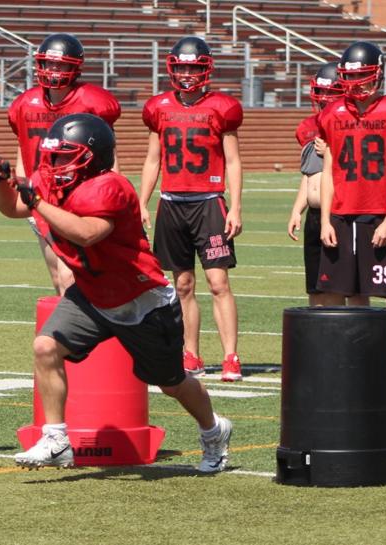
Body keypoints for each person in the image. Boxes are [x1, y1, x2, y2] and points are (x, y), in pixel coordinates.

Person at [0, 113, 233, 472]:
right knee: (45, 346)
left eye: (65, 155)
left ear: (91, 157)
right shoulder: (48, 182)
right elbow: (13, 207)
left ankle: (213, 430)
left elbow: (87, 232)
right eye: (53, 155)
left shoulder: (110, 186)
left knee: (172, 382)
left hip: (141, 301)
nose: (55, 163)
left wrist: (38, 202)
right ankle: (56, 440)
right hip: (92, 293)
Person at [137, 36, 245, 382]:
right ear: (172, 67)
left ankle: (230, 356)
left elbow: (233, 161)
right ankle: (192, 354)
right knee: (182, 284)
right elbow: (153, 160)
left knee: (218, 282)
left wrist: (236, 206)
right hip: (172, 202)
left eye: (193, 67)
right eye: (182, 67)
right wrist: (142, 202)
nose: (186, 74)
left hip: (208, 201)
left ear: (206, 69)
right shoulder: (159, 107)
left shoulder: (221, 107)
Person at [317, 41, 386, 380]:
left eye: (363, 77)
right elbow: (330, 172)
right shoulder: (333, 114)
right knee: (354, 288)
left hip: (379, 212)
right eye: (351, 77)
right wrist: (324, 220)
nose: (357, 84)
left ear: (377, 74)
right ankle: (361, 353)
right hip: (343, 213)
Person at [6, 33, 121, 295]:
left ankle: (88, 333)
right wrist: (24, 188)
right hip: (43, 197)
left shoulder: (92, 102)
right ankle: (72, 335)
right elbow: (23, 147)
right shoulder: (25, 103)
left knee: (72, 277)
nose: (54, 70)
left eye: (61, 64)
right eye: (50, 64)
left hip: (78, 198)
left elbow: (109, 152)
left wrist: (113, 195)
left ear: (75, 67)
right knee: (59, 279)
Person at [287, 63, 344, 306]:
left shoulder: (345, 123)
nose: (324, 98)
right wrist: (296, 209)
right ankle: (318, 341)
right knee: (314, 286)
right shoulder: (308, 127)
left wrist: (334, 150)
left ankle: (339, 338)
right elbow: (309, 175)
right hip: (313, 213)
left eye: (330, 92)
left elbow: (353, 167)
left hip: (336, 213)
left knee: (336, 285)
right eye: (321, 92)